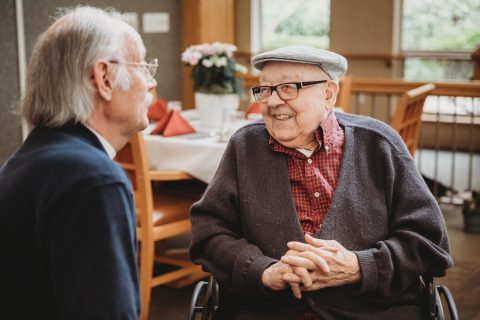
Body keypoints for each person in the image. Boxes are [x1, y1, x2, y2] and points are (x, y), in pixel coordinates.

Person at [189, 45, 453, 319]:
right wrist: (263, 271)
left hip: (374, 311)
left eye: (289, 87)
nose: (273, 101)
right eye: (265, 90)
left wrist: (359, 266)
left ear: (328, 94)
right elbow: (208, 233)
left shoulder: (378, 144)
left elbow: (430, 242)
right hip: (265, 311)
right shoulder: (244, 146)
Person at [0, 6, 157, 319]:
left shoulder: (27, 161)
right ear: (104, 78)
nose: (150, 83)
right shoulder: (93, 179)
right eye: (143, 67)